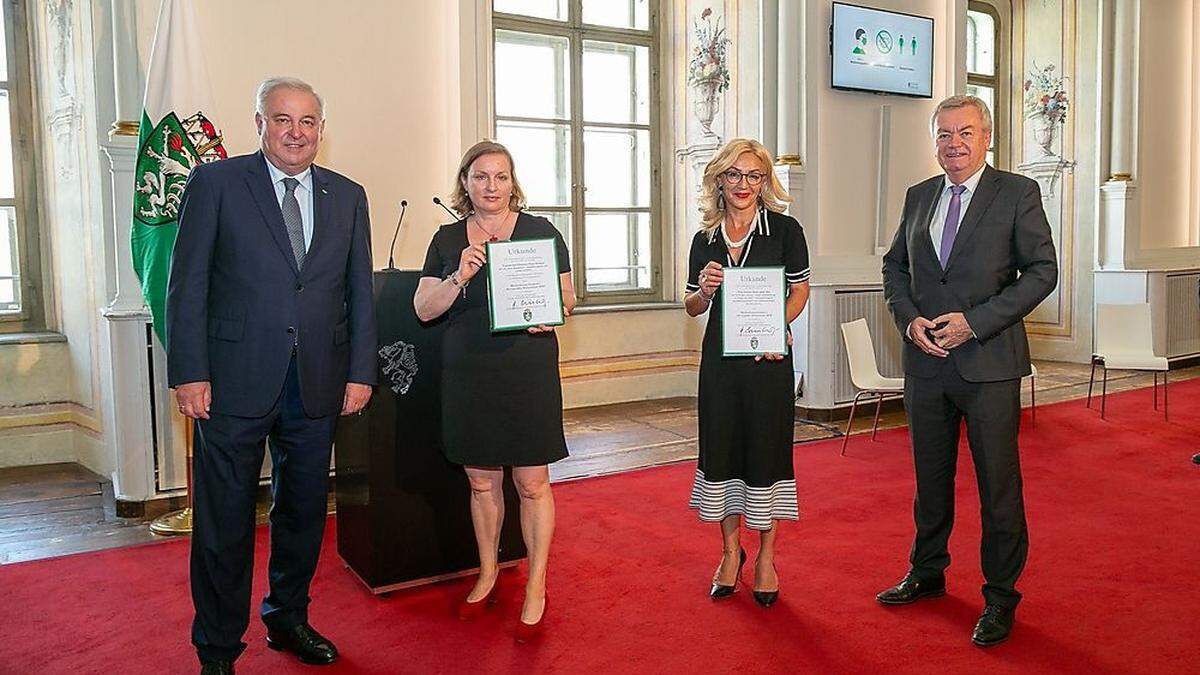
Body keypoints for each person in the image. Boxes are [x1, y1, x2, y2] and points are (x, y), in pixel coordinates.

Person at [168, 77, 377, 674]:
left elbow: (357, 292)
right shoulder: (216, 183)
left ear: (320, 129)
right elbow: (188, 286)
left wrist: (360, 371)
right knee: (225, 519)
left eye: (308, 121)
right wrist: (190, 372)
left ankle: (288, 617)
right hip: (231, 381)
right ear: (258, 123)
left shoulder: (348, 195)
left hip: (317, 381)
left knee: (305, 511)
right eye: (282, 119)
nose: (295, 131)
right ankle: (217, 648)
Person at [879, 95, 1057, 647]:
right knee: (929, 482)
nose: (954, 144)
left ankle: (1000, 596)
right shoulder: (918, 196)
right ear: (934, 142)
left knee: (997, 486)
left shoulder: (1017, 192)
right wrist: (909, 321)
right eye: (944, 135)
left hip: (989, 364)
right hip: (926, 366)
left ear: (987, 138)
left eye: (966, 133)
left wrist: (974, 323)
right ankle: (928, 571)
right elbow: (895, 267)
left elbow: (1043, 272)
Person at [413, 140, 575, 642]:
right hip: (469, 373)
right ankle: (488, 571)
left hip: (525, 372)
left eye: (500, 177)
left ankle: (537, 585)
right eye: (481, 176)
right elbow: (423, 309)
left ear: (513, 182)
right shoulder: (445, 239)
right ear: (466, 182)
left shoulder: (541, 232)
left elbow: (568, 298)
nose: (491, 186)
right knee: (482, 483)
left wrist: (550, 313)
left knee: (531, 484)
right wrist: (460, 275)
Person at [684, 138, 811, 608]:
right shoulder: (704, 240)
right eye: (734, 175)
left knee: (766, 454)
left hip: (768, 367)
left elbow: (800, 293)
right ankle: (730, 553)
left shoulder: (785, 230)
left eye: (753, 175)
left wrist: (778, 325)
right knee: (722, 453)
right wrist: (704, 288)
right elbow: (692, 307)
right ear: (719, 179)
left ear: (765, 182)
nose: (743, 185)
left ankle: (766, 559)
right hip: (720, 366)